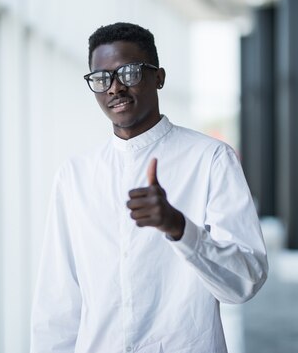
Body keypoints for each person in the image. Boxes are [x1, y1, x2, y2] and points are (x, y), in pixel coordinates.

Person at [30, 22, 268, 353]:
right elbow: (57, 303)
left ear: (159, 77)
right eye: (102, 79)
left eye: (128, 73)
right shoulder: (75, 175)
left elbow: (246, 281)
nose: (114, 88)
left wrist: (179, 227)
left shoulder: (210, 159)